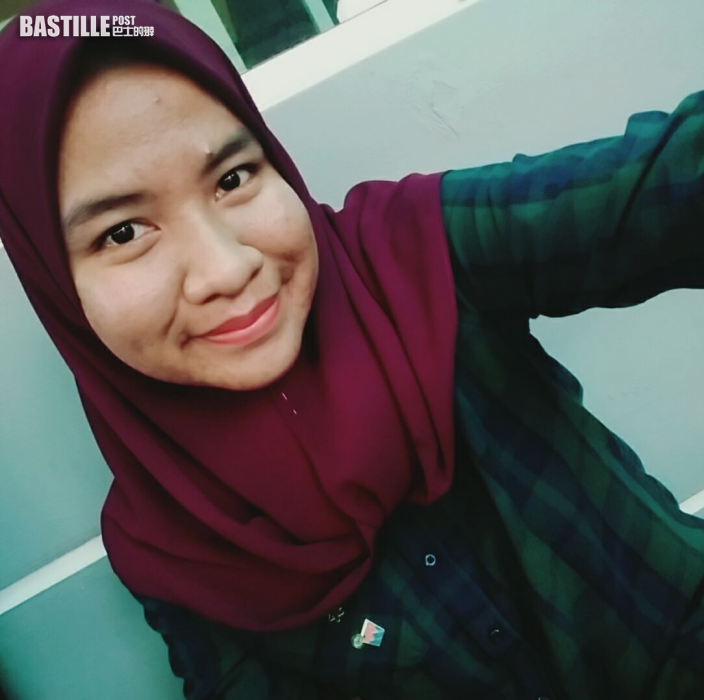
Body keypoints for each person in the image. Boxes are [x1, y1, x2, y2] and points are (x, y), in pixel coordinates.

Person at [1, 0, 703, 698]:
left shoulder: (415, 254)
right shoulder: (166, 544)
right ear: (53, 281)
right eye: (123, 232)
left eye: (233, 178)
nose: (228, 268)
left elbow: (653, 192)